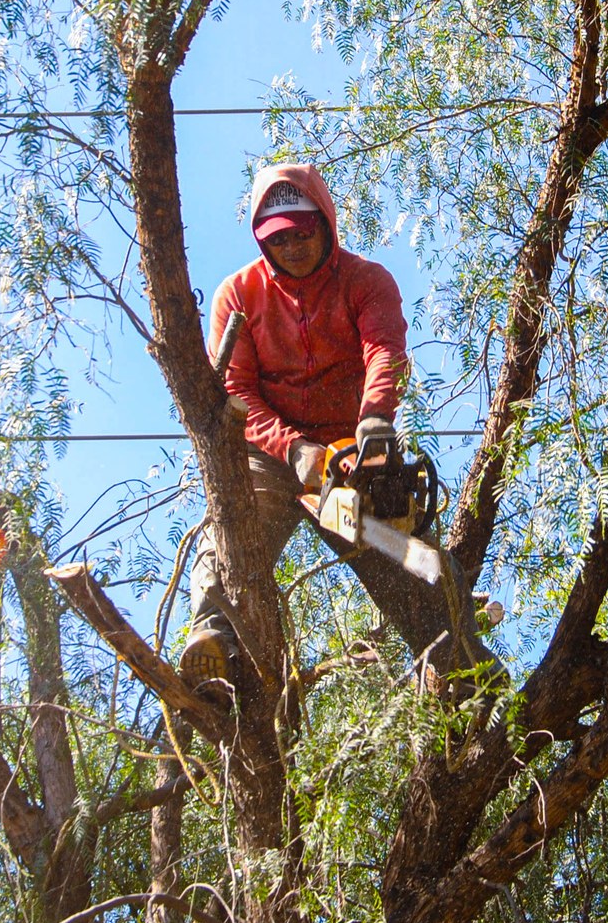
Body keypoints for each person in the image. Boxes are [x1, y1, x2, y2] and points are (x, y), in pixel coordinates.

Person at [179, 163, 478, 691]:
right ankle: (213, 644)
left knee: (401, 553)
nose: (292, 246)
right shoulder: (239, 295)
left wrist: (375, 419)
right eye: (279, 238)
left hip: (348, 452)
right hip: (268, 450)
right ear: (261, 238)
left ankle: (460, 666)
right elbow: (238, 390)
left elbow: (385, 350)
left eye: (303, 231)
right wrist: (292, 449)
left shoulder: (366, 280)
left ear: (325, 221)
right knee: (236, 512)